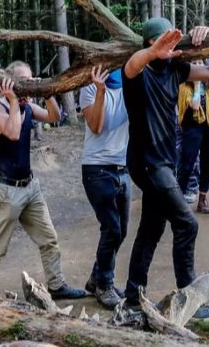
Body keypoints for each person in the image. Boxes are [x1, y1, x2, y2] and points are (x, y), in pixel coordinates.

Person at [121, 17, 209, 321]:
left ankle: (132, 298)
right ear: (149, 44)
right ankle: (188, 298)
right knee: (187, 223)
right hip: (147, 162)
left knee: (151, 229)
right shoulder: (136, 72)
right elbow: (132, 64)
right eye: (162, 42)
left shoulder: (175, 69)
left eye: (172, 43)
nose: (169, 49)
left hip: (164, 160)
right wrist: (154, 51)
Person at [0, 61, 85, 299]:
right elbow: (13, 133)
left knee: (49, 239)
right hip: (5, 190)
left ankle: (57, 286)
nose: (29, 85)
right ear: (9, 82)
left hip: (29, 186)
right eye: (24, 81)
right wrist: (13, 101)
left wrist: (46, 92)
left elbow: (54, 116)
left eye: (31, 80)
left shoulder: (25, 105)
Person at [79, 65, 131, 308]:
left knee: (121, 230)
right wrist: (100, 91)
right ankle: (104, 285)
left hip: (123, 168)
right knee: (111, 228)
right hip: (97, 168)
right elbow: (96, 126)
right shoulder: (89, 88)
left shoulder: (131, 84)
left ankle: (96, 278)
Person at [177, 64, 209, 214]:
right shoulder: (184, 87)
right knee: (186, 165)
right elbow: (195, 106)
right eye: (194, 65)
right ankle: (179, 199)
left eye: (200, 64)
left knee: (206, 164)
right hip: (192, 128)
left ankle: (202, 199)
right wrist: (197, 85)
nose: (198, 67)